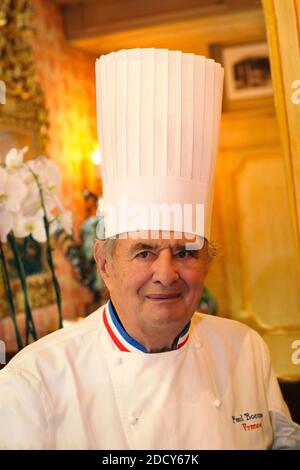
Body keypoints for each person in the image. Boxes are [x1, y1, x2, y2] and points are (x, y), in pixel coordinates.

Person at [0, 48, 299, 450]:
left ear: (207, 262)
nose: (166, 272)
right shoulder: (33, 381)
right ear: (104, 264)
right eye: (144, 251)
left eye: (186, 252)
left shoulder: (246, 349)